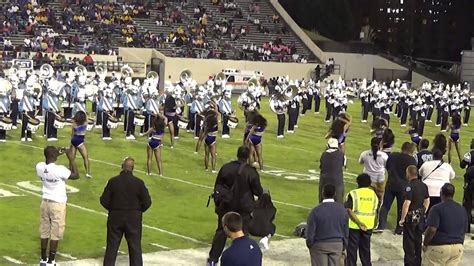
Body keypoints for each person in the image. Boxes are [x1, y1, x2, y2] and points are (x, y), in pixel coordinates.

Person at [208, 146, 263, 265]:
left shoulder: (226, 167)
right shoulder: (250, 171)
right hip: (244, 208)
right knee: (242, 234)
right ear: (248, 156)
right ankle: (243, 256)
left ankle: (212, 260)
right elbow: (258, 191)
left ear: (237, 154)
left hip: (226, 206)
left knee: (221, 233)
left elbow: (217, 186)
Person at [100, 157, 152, 266]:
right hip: (133, 218)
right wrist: (137, 211)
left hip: (116, 216)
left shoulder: (113, 181)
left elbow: (104, 200)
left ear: (122, 166)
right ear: (133, 168)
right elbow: (147, 202)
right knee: (135, 247)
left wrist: (113, 209)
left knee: (112, 247)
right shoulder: (139, 183)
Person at [36, 146, 79, 266]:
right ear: (54, 156)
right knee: (56, 232)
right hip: (57, 203)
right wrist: (71, 158)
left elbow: (48, 160)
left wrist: (56, 153)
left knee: (44, 231)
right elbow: (76, 175)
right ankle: (51, 261)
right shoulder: (60, 169)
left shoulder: (39, 166)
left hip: (45, 202)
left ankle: (43, 259)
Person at [376, 142, 417, 234]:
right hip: (403, 185)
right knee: (401, 207)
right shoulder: (412, 160)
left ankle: (381, 225)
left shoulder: (393, 155)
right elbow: (412, 173)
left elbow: (388, 167)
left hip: (391, 183)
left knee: (385, 205)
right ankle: (399, 228)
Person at [423, 183, 468, 266]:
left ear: (441, 193)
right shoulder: (462, 209)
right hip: (457, 247)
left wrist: (425, 243)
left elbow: (432, 229)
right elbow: (464, 229)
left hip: (439, 247)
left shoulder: (436, 208)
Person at [306, 184, 349, 266]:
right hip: (337, 245)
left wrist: (310, 244)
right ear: (335, 194)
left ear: (323, 193)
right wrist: (343, 245)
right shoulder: (342, 210)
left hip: (319, 245)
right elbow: (346, 231)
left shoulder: (315, 211)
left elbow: (310, 231)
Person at [399, 165, 429, 266]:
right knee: (418, 239)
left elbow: (407, 203)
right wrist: (423, 211)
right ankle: (417, 262)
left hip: (411, 217)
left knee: (408, 243)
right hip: (420, 216)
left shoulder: (409, 186)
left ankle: (409, 263)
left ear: (408, 173)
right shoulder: (423, 185)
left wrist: (402, 218)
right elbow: (427, 201)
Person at [345, 173, 378, 266]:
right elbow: (375, 210)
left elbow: (349, 210)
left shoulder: (353, 194)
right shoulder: (374, 195)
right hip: (368, 226)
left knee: (352, 251)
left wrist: (359, 223)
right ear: (369, 183)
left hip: (354, 226)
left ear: (357, 182)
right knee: (365, 251)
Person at [319, 138, 345, 203]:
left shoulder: (323, 154)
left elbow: (321, 166)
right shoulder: (342, 155)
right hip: (337, 180)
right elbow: (343, 165)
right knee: (338, 200)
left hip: (324, 180)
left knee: (323, 199)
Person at [196, 106, 219, 173]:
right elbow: (217, 115)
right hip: (212, 138)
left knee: (206, 154)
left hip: (207, 138)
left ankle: (206, 168)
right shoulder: (215, 121)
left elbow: (205, 130)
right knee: (213, 156)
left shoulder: (207, 120)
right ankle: (213, 169)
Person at [69, 111, 92, 178]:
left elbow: (72, 133)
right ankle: (87, 173)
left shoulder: (74, 124)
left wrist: (71, 142)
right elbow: (89, 121)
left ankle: (70, 171)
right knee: (85, 157)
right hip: (80, 141)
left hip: (74, 140)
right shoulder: (85, 123)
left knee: (72, 158)